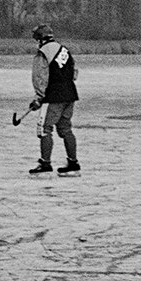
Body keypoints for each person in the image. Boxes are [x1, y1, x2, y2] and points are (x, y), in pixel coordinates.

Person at [27, 24, 81, 176]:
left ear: (40, 39)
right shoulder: (64, 50)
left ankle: (45, 165)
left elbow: (40, 76)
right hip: (70, 95)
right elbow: (74, 73)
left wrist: (39, 97)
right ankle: (73, 164)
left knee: (44, 129)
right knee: (65, 129)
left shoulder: (43, 52)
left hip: (53, 96)